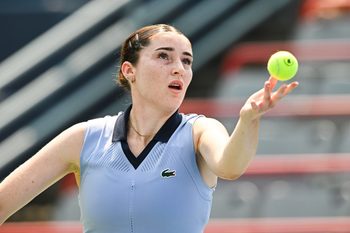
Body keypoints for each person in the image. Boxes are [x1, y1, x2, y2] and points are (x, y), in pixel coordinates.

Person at [0, 24, 299, 232]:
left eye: (186, 60)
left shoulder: (200, 132)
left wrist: (248, 120)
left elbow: (230, 165)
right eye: (163, 56)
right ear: (130, 71)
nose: (179, 68)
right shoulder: (83, 138)